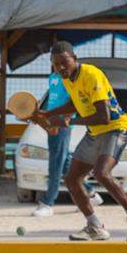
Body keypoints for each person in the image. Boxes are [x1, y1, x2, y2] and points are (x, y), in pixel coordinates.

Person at [35, 41, 127, 242]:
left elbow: (105, 117)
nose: (61, 67)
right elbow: (75, 102)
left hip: (116, 128)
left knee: (102, 173)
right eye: (57, 64)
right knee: (72, 179)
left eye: (65, 62)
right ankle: (95, 226)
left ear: (74, 59)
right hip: (95, 131)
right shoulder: (66, 78)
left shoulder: (91, 74)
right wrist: (47, 113)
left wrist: (67, 120)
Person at [33, 70, 102, 217]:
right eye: (53, 59)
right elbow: (52, 102)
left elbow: (74, 102)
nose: (56, 64)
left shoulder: (69, 79)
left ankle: (48, 202)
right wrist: (44, 120)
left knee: (55, 164)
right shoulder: (52, 77)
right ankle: (90, 194)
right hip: (52, 123)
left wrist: (61, 123)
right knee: (63, 162)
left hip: (61, 125)